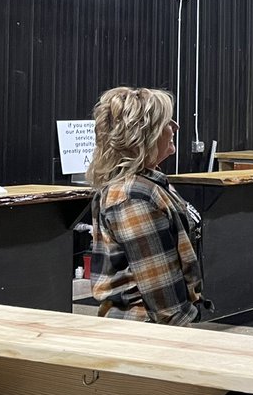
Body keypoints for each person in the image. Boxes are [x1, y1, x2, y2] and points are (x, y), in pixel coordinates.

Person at [87, 87, 204, 325]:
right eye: (167, 122)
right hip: (145, 332)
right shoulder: (133, 196)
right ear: (144, 134)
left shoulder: (148, 183)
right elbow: (164, 302)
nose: (175, 128)